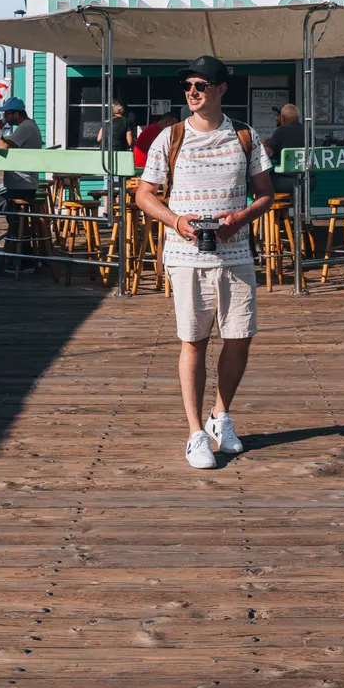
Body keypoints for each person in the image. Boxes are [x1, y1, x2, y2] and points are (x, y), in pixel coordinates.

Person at [136, 55, 274, 471]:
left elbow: (266, 193)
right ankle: (195, 432)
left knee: (239, 337)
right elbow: (144, 194)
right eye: (188, 86)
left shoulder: (246, 136)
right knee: (193, 340)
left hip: (235, 252)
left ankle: (220, 416)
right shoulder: (170, 137)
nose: (192, 92)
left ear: (221, 89)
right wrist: (176, 221)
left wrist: (241, 218)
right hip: (185, 255)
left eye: (200, 85)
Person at [0, 96, 43, 253]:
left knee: (16, 221)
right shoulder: (28, 125)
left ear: (16, 114)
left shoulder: (25, 127)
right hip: (24, 180)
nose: (5, 117)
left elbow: (5, 146)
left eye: (7, 114)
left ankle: (24, 257)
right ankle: (21, 254)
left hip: (23, 181)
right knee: (17, 220)